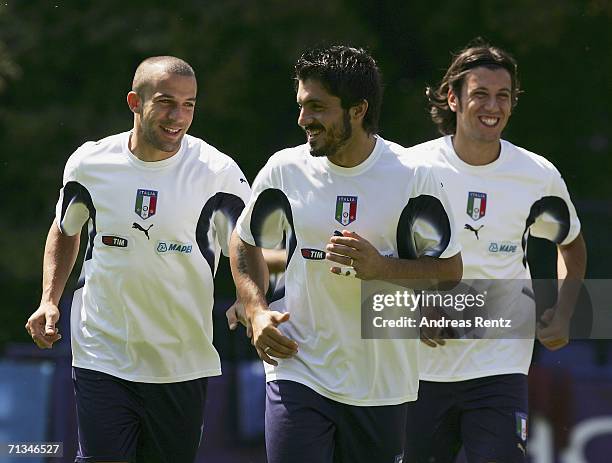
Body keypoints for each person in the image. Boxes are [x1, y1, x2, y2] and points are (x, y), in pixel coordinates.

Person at [229, 45, 463, 463]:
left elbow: (450, 270)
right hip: (298, 366)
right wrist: (256, 308)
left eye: (317, 107)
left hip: (380, 381)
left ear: (358, 110)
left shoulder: (413, 176)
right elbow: (243, 240)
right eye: (302, 105)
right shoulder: (285, 169)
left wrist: (381, 267)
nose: (303, 119)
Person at [24, 56, 251, 463]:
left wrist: (251, 296)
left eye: (189, 105)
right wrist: (48, 299)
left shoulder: (217, 171)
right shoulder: (90, 163)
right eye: (166, 102)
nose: (178, 116)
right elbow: (65, 228)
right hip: (101, 351)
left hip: (181, 362)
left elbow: (247, 243)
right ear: (134, 101)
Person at [404, 39, 587, 462]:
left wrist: (564, 311)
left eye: (503, 96)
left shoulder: (536, 175)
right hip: (418, 369)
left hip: (499, 364)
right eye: (480, 94)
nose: (493, 106)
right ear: (452, 98)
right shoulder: (410, 169)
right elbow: (375, 254)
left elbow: (571, 244)